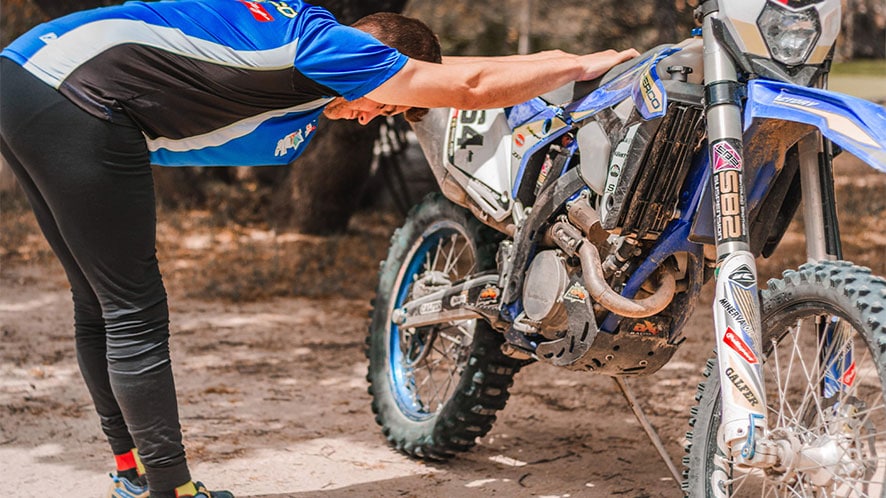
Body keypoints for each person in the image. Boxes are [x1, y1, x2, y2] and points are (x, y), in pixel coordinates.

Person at [0, 1, 639, 496]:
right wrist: (583, 68)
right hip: (75, 95)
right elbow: (466, 88)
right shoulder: (332, 48)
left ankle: (132, 472)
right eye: (388, 102)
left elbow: (461, 74)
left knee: (101, 302)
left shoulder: (312, 47)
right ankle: (170, 486)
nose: (371, 118)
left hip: (25, 73)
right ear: (378, 62)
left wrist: (566, 56)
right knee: (134, 310)